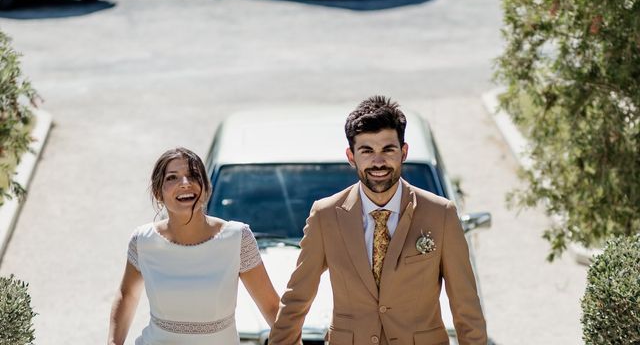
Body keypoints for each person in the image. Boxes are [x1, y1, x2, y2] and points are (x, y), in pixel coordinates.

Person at [269, 96, 487, 345]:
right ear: (351, 156)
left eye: (388, 149)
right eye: (367, 151)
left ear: (403, 152)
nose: (378, 161)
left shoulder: (441, 214)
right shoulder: (325, 216)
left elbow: (466, 307)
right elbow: (297, 298)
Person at [108, 147, 280, 345]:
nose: (185, 184)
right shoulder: (142, 240)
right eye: (172, 178)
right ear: (158, 192)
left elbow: (271, 308)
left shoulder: (238, 238)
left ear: (206, 188)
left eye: (193, 176)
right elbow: (127, 295)